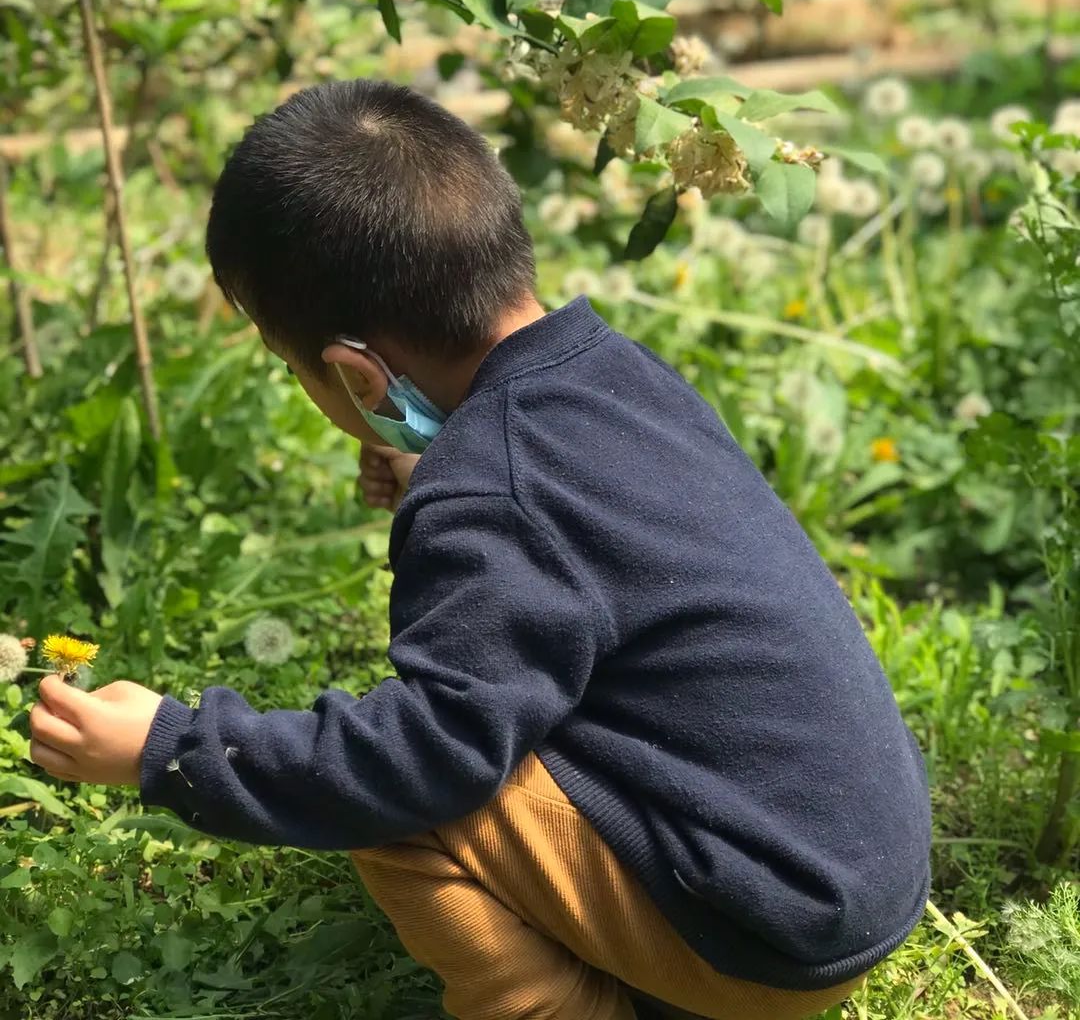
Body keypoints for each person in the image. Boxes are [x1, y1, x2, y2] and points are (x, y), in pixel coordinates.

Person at [29, 80, 931, 1020]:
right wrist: (442, 471)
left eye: (284, 362)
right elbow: (590, 532)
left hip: (765, 940)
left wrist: (170, 750)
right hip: (849, 869)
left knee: (405, 811)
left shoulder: (489, 495)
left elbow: (422, 757)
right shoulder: (610, 373)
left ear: (354, 371)